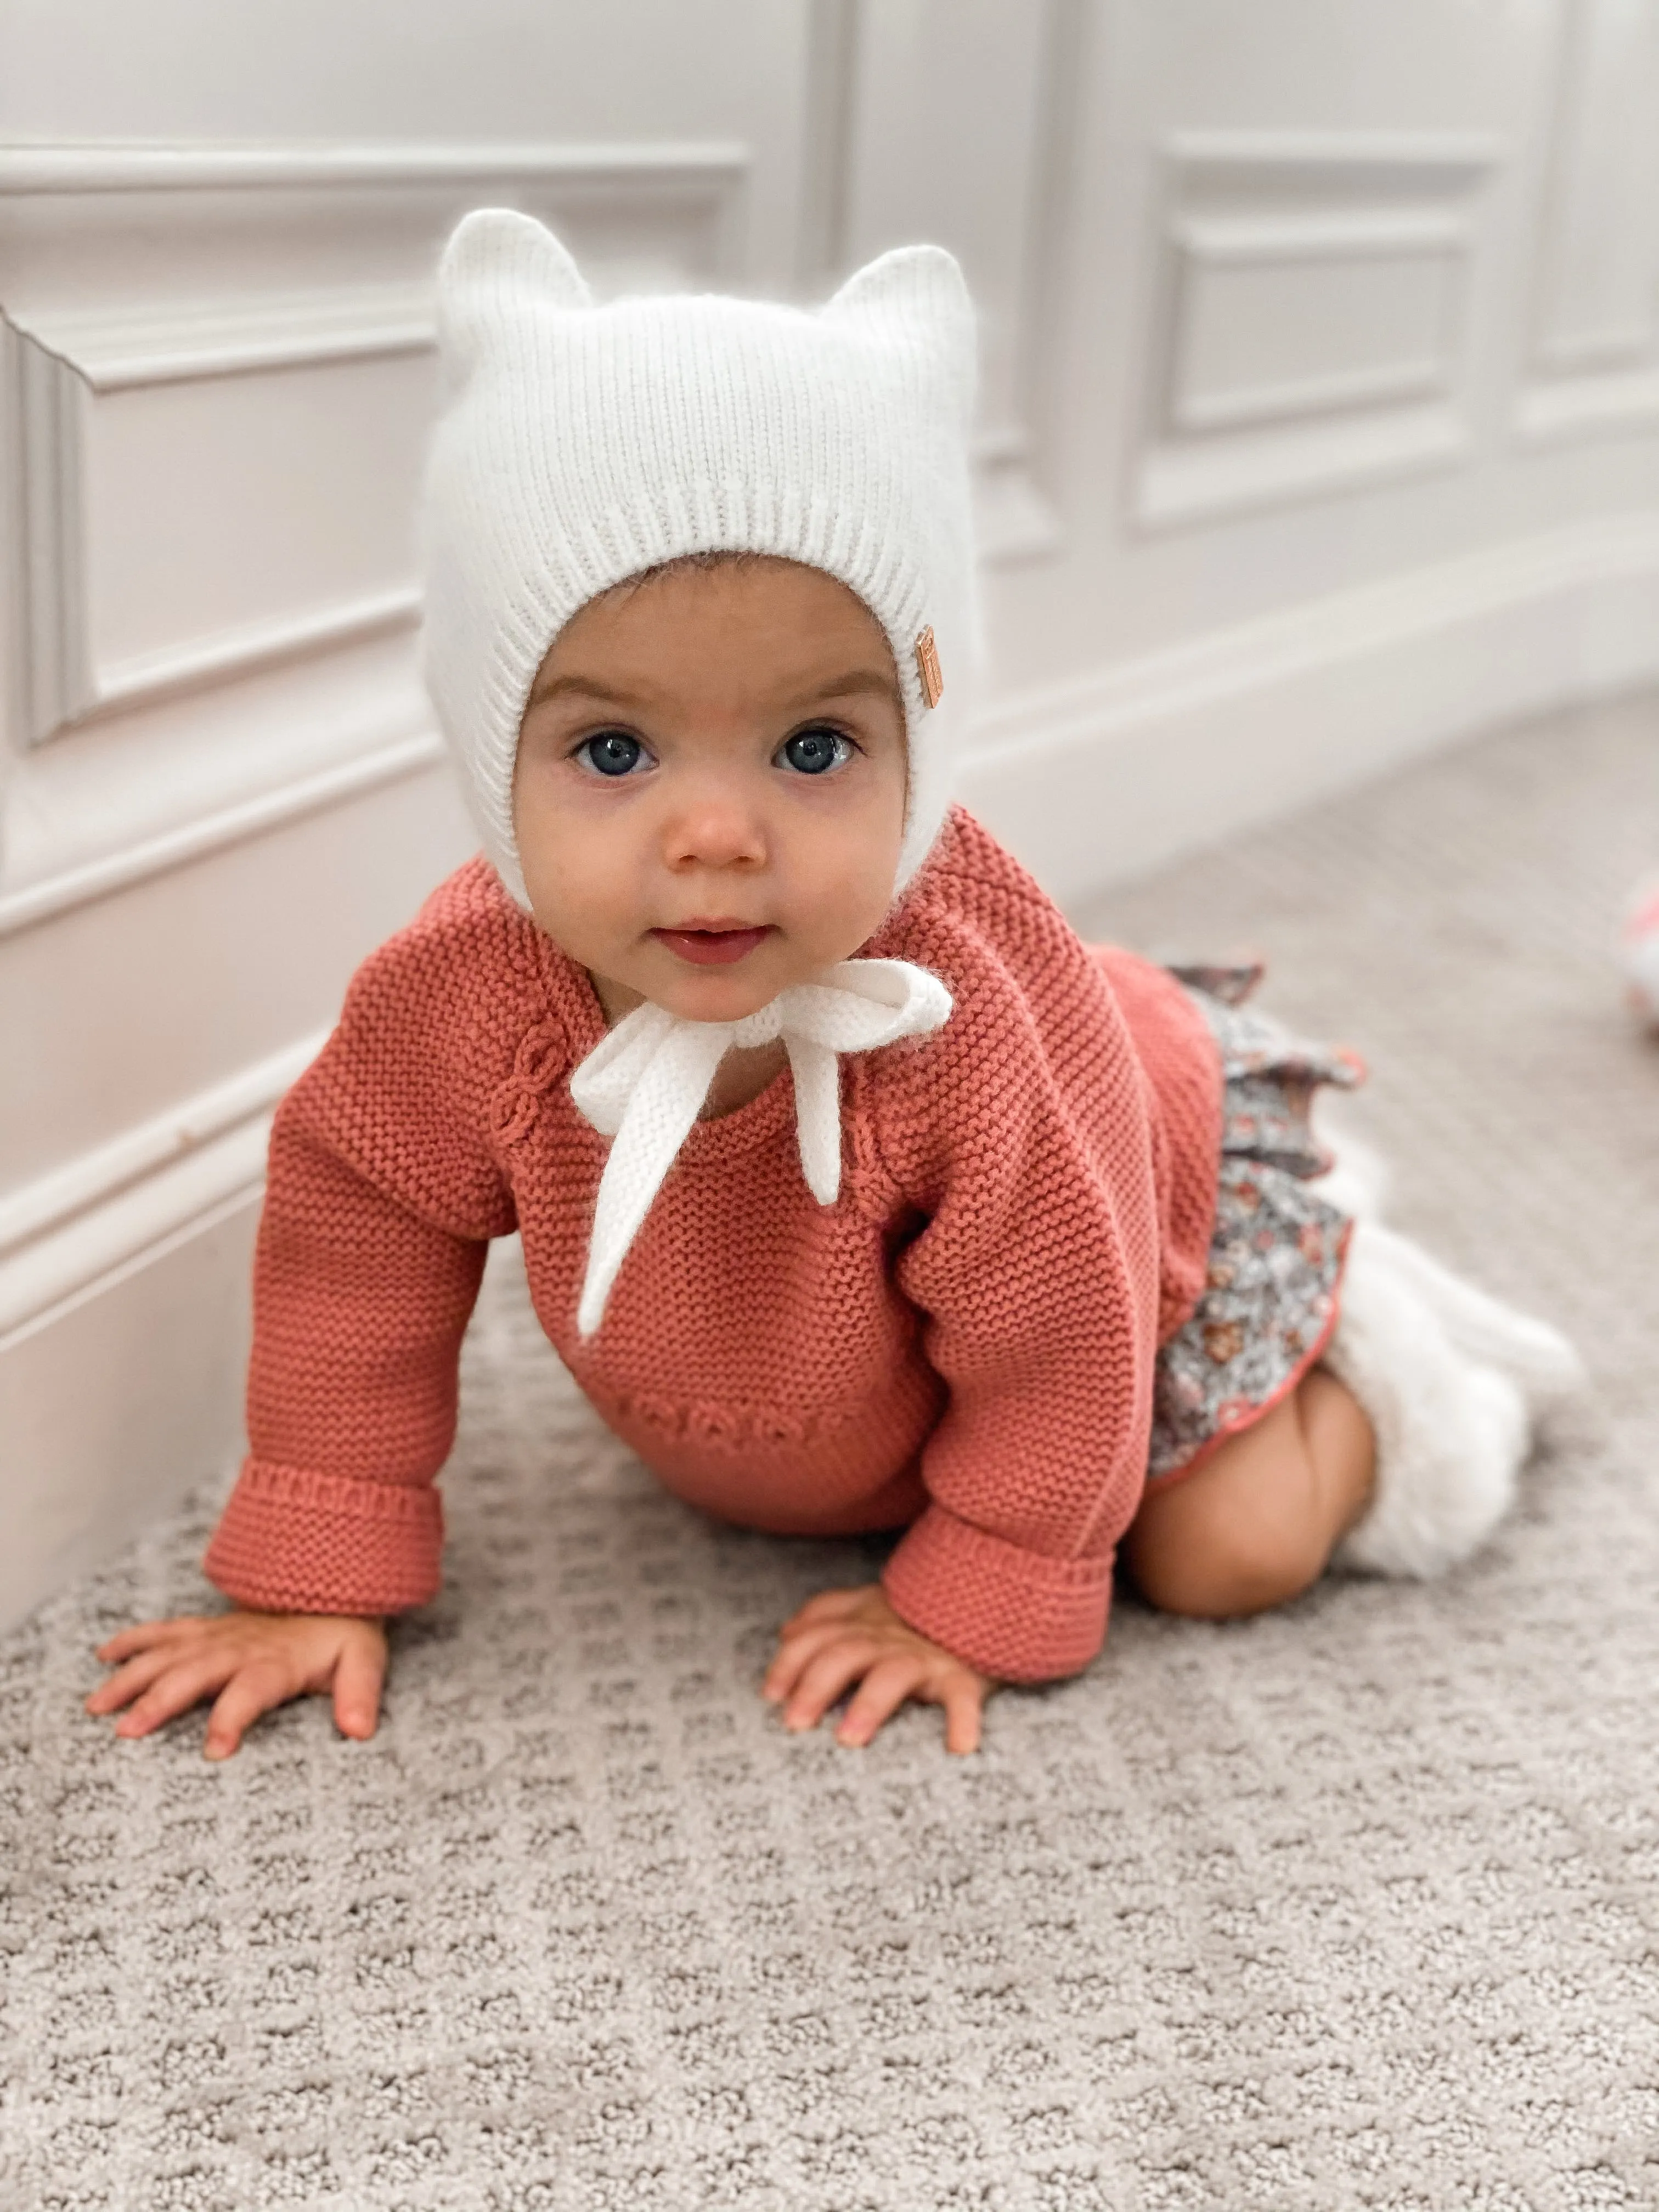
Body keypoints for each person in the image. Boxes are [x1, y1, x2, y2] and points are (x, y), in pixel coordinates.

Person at [86, 212, 1578, 1763]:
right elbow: (356, 1252)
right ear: (490, 756)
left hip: (1128, 1222)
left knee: (1227, 1555)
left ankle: (1380, 1340)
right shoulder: (461, 999)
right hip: (852, 1385)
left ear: (918, 751)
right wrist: (318, 1555)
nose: (718, 839)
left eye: (814, 750)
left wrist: (985, 1584)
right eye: (614, 752)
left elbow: (1060, 1336)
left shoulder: (956, 1023)